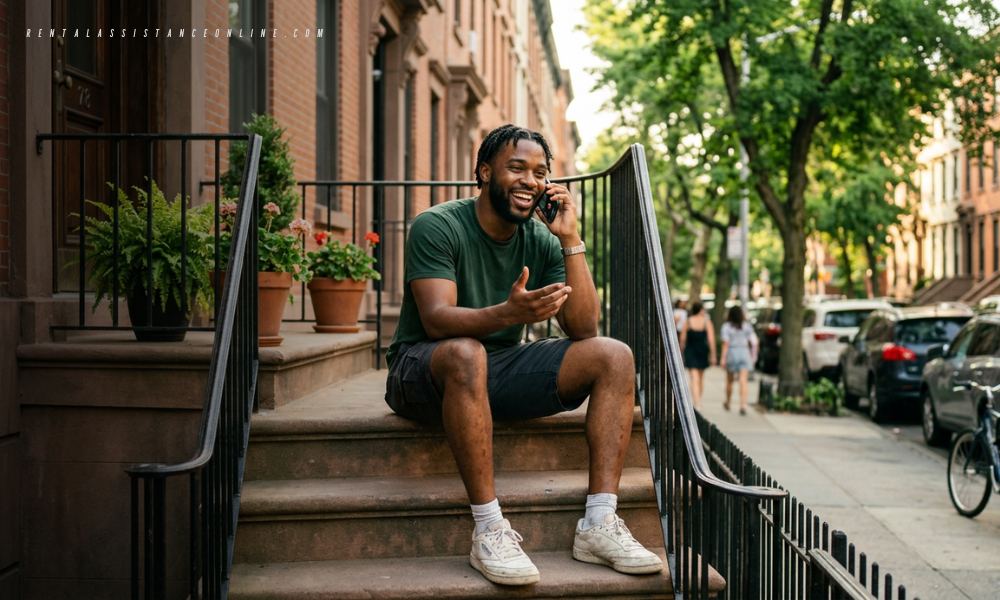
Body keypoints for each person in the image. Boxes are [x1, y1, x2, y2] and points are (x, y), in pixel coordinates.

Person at [384, 124, 663, 586]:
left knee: (613, 355)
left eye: (540, 172)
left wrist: (570, 238)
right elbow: (436, 320)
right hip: (422, 369)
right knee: (467, 353)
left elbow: (583, 327)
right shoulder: (438, 225)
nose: (530, 181)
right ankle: (490, 529)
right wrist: (506, 313)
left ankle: (598, 523)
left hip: (494, 371)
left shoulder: (541, 239)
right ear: (484, 171)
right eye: (517, 168)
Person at [720, 305, 758, 415]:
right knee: (743, 380)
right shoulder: (747, 326)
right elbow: (754, 342)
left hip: (732, 353)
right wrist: (753, 356)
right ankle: (743, 405)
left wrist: (722, 358)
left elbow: (725, 344)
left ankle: (728, 401)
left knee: (729, 380)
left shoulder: (726, 327)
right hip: (744, 352)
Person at [680, 301, 715, 409]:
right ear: (700, 310)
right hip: (702, 351)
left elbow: (682, 339)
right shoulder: (707, 322)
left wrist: (681, 351)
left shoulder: (688, 321)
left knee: (693, 377)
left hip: (690, 351)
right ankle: (698, 400)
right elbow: (711, 339)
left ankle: (697, 402)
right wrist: (713, 354)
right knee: (700, 377)